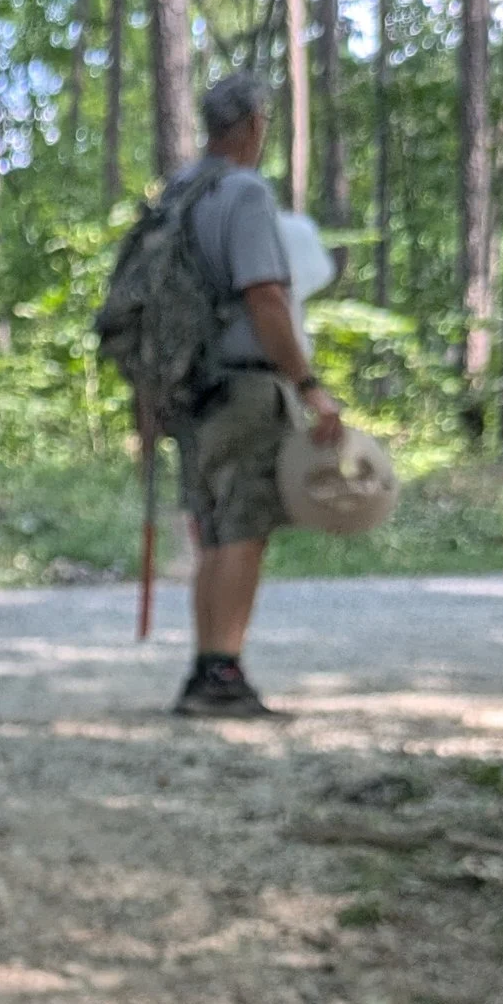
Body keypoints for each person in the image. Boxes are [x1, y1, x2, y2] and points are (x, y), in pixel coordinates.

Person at [164, 73, 345, 720]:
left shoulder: (182, 190)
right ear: (250, 125)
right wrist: (309, 385)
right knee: (243, 528)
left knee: (212, 529)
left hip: (190, 389)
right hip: (243, 385)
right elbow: (265, 296)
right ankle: (223, 673)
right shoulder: (243, 192)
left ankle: (206, 668)